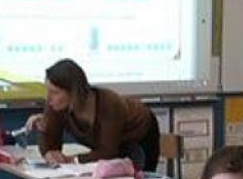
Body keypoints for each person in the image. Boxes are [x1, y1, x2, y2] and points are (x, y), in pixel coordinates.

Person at [27, 58, 160, 171]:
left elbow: (108, 152)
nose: (48, 98)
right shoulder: (56, 104)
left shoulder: (108, 103)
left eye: (55, 92)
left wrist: (72, 159)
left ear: (74, 92)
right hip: (112, 146)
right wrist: (44, 134)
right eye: (48, 91)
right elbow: (52, 147)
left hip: (139, 135)